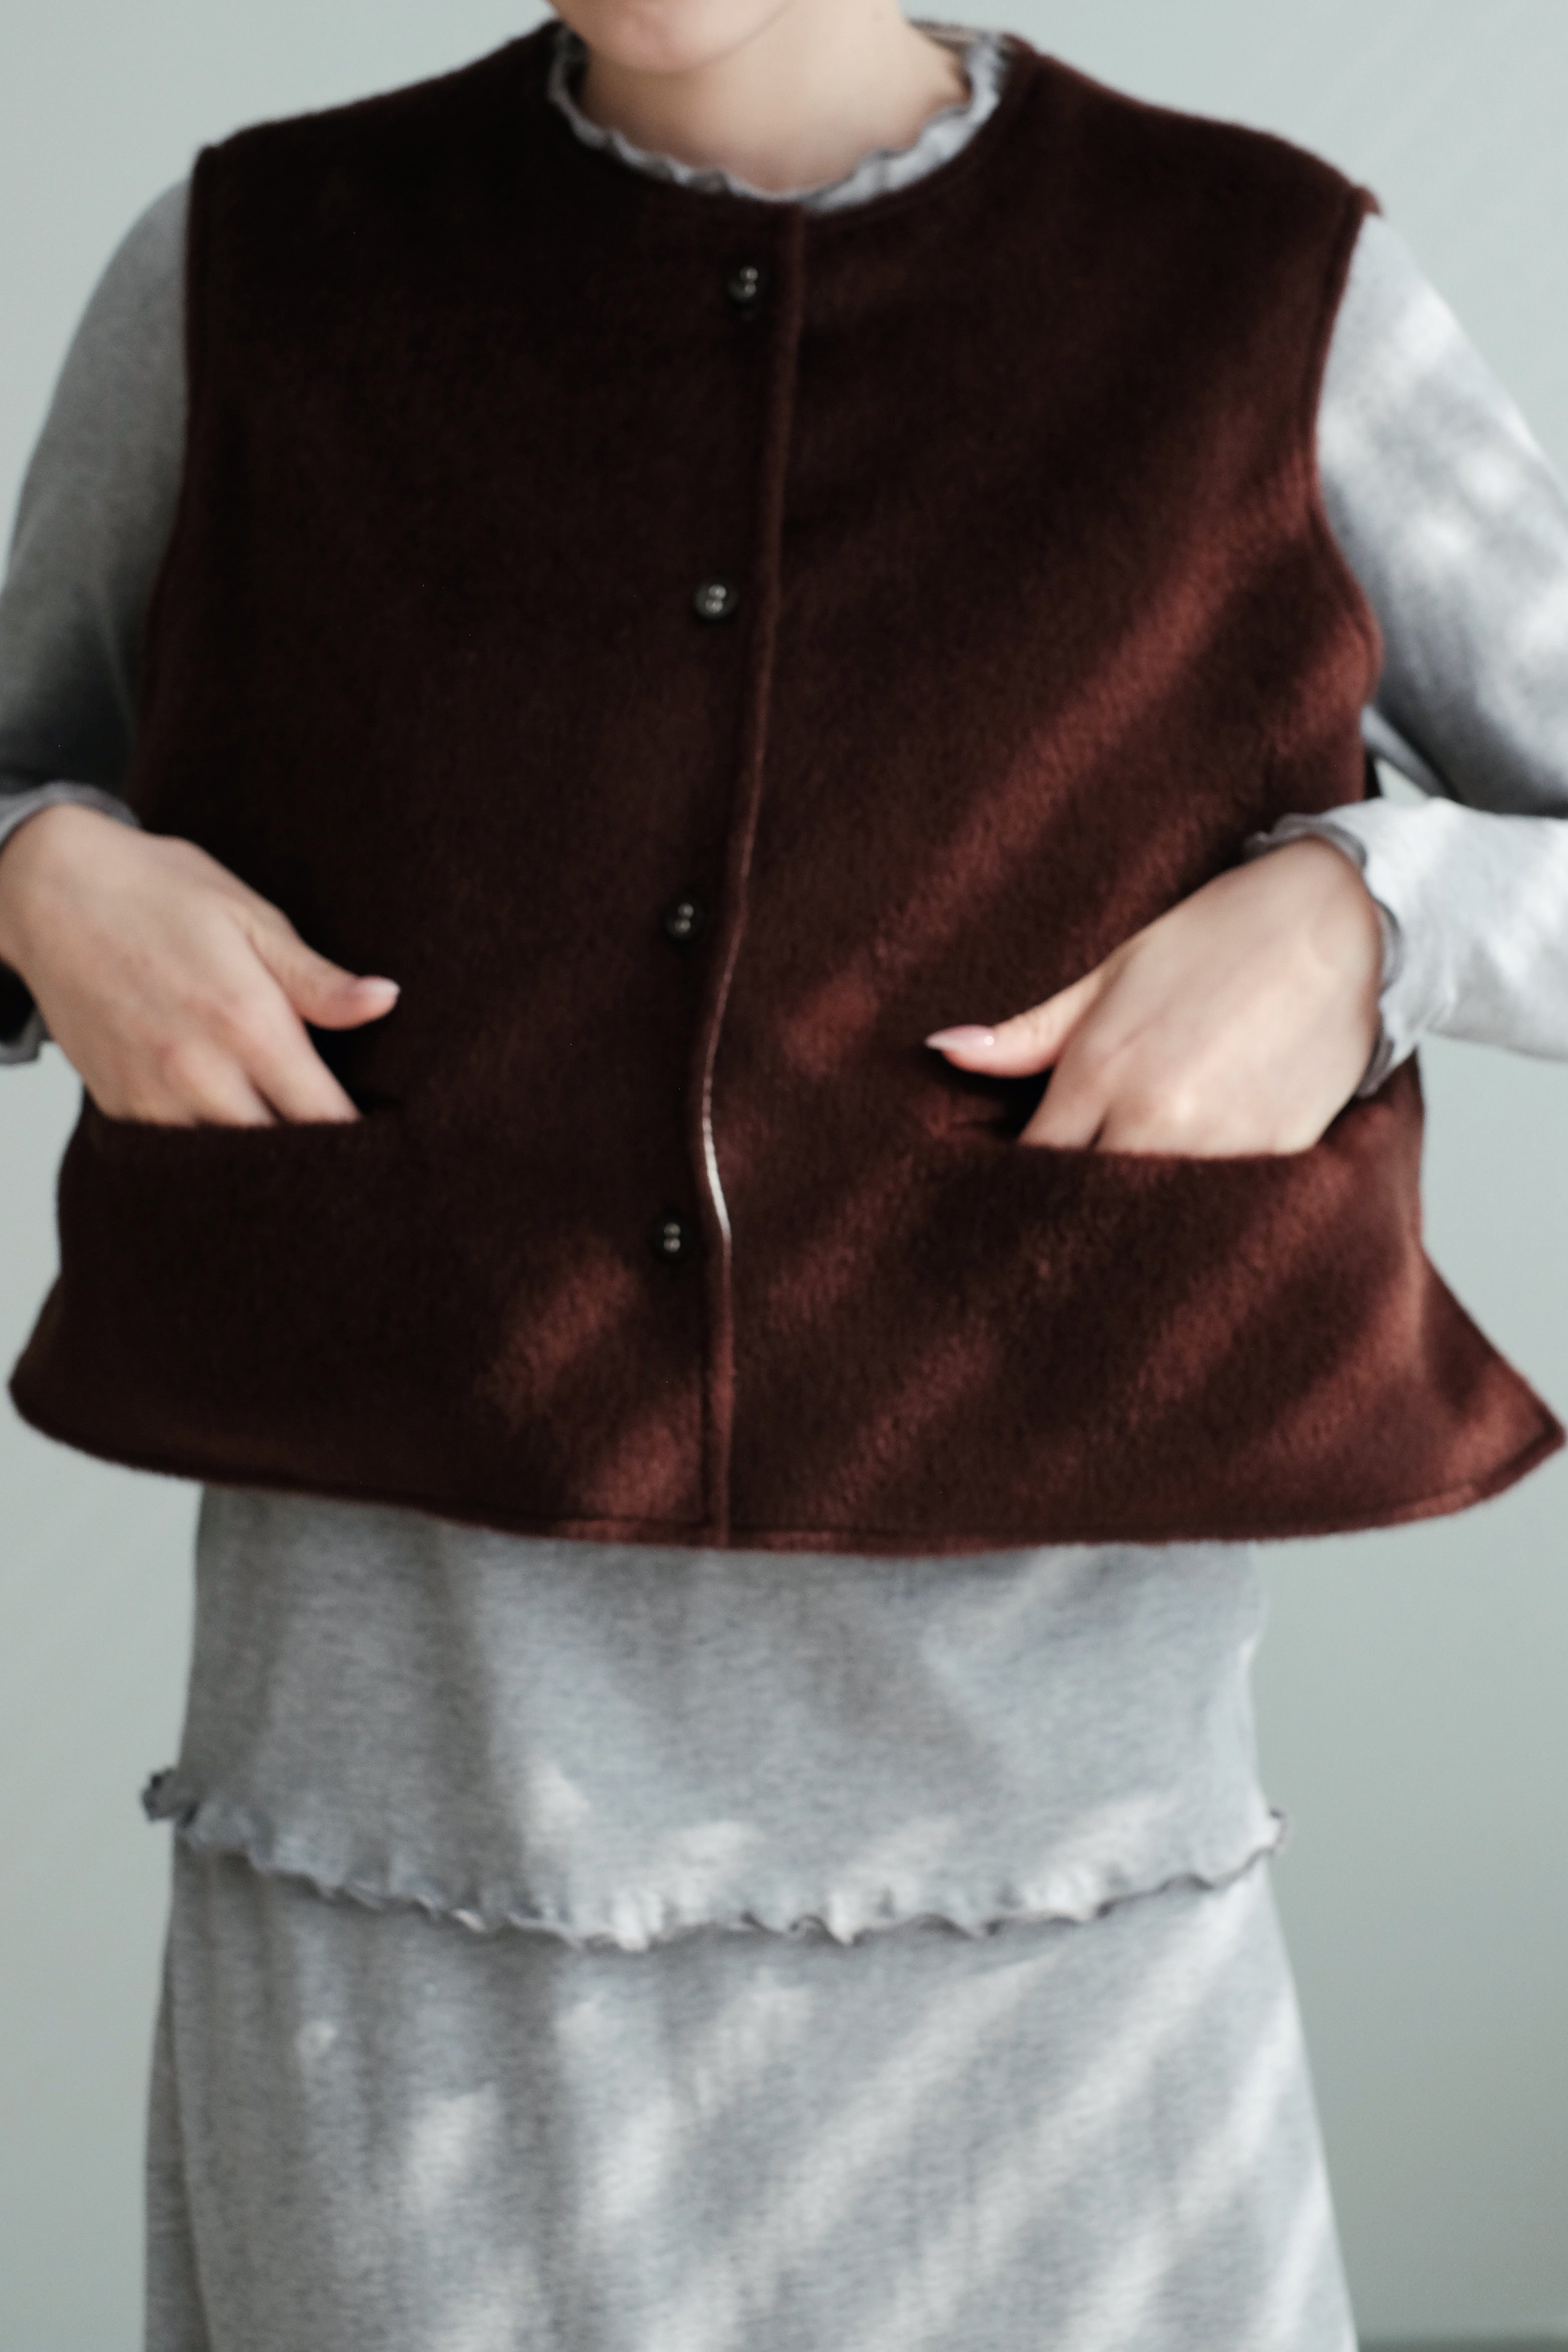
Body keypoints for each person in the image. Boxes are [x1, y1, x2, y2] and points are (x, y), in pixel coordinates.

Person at [2, 5, 1568, 2346]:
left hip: (1044, 1920)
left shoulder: (1264, 281)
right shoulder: (248, 267)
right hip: (410, 1903)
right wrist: (36, 867)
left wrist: (1368, 917)